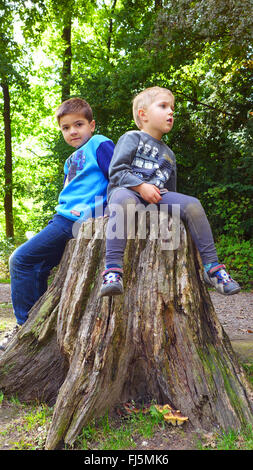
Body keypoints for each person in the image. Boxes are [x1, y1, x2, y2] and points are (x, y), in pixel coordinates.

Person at [100, 86, 240, 297]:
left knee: (192, 204)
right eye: (163, 106)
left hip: (158, 196)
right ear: (143, 114)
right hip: (128, 191)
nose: (171, 112)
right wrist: (140, 186)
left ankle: (212, 268)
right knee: (123, 200)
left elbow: (170, 190)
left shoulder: (169, 154)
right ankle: (112, 271)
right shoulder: (132, 138)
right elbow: (117, 171)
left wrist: (173, 209)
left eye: (172, 108)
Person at [0, 97, 114, 351]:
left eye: (79, 124)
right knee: (35, 267)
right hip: (62, 219)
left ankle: (23, 330)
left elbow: (117, 177)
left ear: (92, 125)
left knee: (20, 260)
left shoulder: (100, 144)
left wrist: (108, 211)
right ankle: (35, 327)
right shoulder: (71, 160)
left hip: (76, 221)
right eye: (66, 127)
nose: (72, 131)